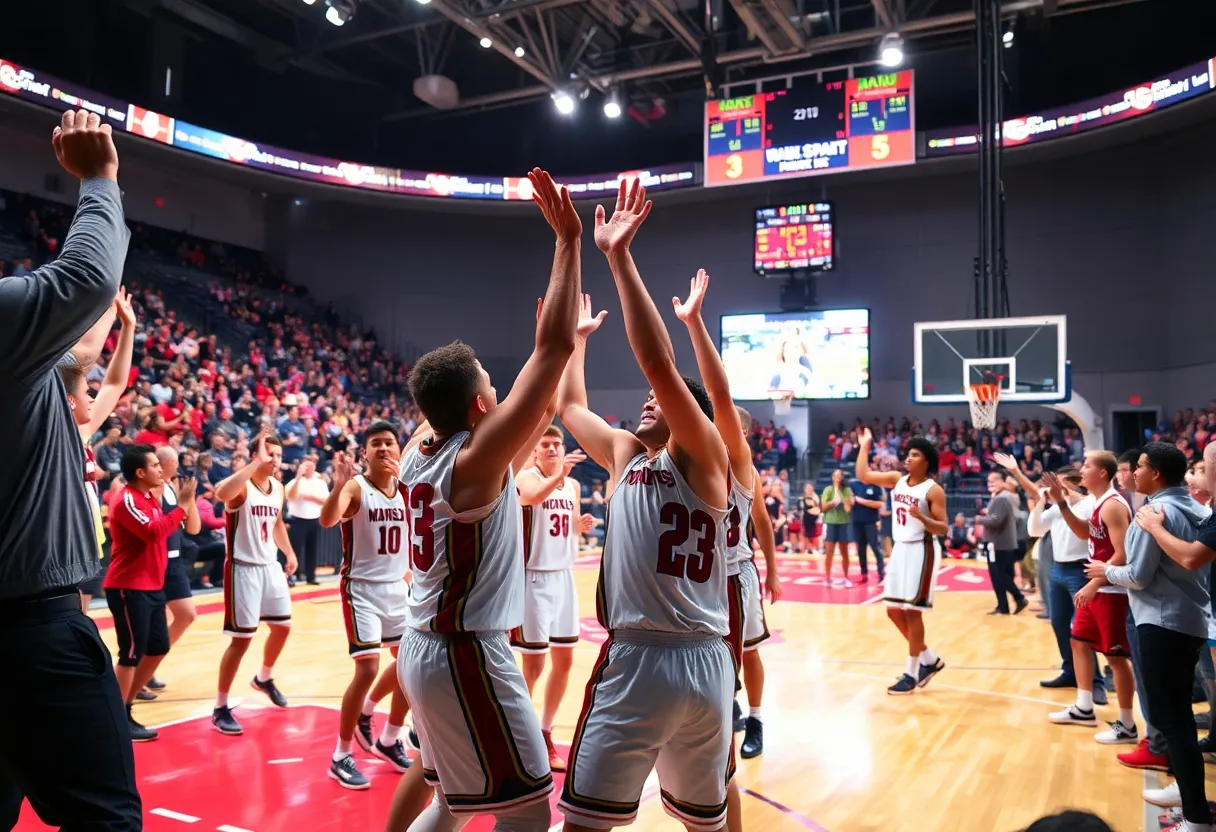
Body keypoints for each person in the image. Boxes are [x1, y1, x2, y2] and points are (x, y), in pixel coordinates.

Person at [388, 168, 579, 831]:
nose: (501, 392)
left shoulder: (422, 449)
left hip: (427, 644)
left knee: (450, 801)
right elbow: (549, 352)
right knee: (527, 808)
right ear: (478, 405)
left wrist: (558, 350)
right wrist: (567, 243)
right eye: (493, 386)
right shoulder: (471, 463)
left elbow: (541, 393)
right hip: (465, 651)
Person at [557, 180, 734, 832]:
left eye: (663, 402)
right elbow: (570, 408)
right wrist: (575, 340)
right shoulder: (630, 454)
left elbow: (660, 362)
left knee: (590, 822)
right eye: (649, 400)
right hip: (686, 661)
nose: (649, 400)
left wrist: (618, 256)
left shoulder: (704, 454)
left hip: (657, 658)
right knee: (696, 822)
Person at [0, 109, 142, 832]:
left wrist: (120, 331)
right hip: (31, 628)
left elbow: (84, 354)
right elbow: (83, 281)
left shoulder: (42, 381)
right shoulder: (21, 360)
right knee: (105, 819)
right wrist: (98, 179)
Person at [671, 270, 781, 779]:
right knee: (715, 658)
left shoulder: (742, 468)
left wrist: (775, 572)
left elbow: (760, 521)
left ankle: (755, 718)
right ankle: (727, 710)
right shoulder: (695, 459)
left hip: (738, 571)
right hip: (703, 577)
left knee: (749, 650)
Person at [1089, 442, 1211, 831]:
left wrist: (1103, 572)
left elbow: (1137, 576)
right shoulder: (1200, 508)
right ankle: (1187, 793)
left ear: (1155, 473)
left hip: (1161, 623)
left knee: (1171, 720)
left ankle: (1195, 819)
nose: (1134, 473)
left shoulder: (1153, 512)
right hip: (1192, 620)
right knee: (1180, 720)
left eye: (1139, 467)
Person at [319, 423, 412, 790]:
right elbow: (327, 519)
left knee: (411, 665)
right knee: (368, 667)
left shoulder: (407, 488)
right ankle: (340, 754)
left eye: (390, 443)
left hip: (397, 586)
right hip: (361, 589)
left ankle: (389, 738)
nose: (384, 449)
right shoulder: (356, 487)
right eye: (376, 444)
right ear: (365, 453)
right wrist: (339, 484)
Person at [104, 444, 198, 740]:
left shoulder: (148, 497)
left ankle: (125, 706)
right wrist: (182, 507)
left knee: (158, 647)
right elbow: (153, 532)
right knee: (130, 654)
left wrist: (180, 507)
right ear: (140, 472)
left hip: (151, 586)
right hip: (127, 587)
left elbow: (164, 528)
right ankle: (119, 717)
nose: (161, 469)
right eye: (156, 465)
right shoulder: (126, 500)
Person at [1042, 452, 1136, 742]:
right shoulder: (1098, 504)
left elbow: (1123, 554)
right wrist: (1060, 502)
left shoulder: (1113, 505)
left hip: (1112, 591)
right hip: (1097, 586)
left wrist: (1093, 584)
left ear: (1104, 473)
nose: (1081, 470)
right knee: (1078, 642)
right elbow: (1084, 534)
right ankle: (1084, 707)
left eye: (1087, 466)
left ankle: (1127, 724)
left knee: (1115, 657)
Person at [511, 427, 590, 773]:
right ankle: (517, 736)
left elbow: (567, 524)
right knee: (534, 666)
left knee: (565, 661)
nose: (554, 449)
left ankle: (544, 731)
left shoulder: (571, 485)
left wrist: (580, 525)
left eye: (558, 444)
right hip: (533, 579)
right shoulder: (524, 478)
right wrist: (559, 474)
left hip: (564, 577)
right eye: (546, 444)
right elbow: (531, 499)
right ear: (535, 451)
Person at [211, 433, 299, 736]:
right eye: (270, 454)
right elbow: (221, 492)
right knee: (242, 640)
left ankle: (264, 677)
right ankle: (220, 706)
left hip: (269, 566)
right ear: (255, 456)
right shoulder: (242, 488)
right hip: (243, 568)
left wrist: (288, 552)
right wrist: (253, 465)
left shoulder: (278, 488)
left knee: (283, 626)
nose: (275, 460)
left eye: (278, 455)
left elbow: (276, 523)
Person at [998, 455, 1106, 698]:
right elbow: (1034, 529)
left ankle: (1095, 681)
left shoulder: (1090, 504)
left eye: (1059, 483)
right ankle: (1070, 671)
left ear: (1073, 483)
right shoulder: (1057, 507)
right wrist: (1040, 502)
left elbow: (1084, 535)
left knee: (1081, 629)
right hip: (1058, 570)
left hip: (1081, 570)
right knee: (1059, 623)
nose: (1053, 487)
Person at [856, 428, 947, 695]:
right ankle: (929, 660)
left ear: (926, 461)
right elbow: (863, 475)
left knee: (911, 612)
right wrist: (865, 446)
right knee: (893, 610)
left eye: (915, 455)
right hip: (900, 549)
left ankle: (911, 672)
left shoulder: (933, 490)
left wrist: (922, 518)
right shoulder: (897, 479)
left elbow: (943, 528)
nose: (908, 458)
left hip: (923, 549)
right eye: (908, 454)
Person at [62, 286, 136, 611]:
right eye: (85, 391)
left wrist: (128, 326)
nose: (93, 397)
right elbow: (80, 361)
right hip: (63, 548)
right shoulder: (59, 434)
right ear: (68, 399)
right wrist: (107, 313)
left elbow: (115, 384)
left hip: (88, 544)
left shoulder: (84, 430)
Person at [154, 446, 201, 689]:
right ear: (168, 462)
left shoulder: (173, 487)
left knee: (186, 615)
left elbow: (193, 529)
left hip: (174, 562)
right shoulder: (154, 488)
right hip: (154, 561)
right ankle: (143, 669)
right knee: (153, 623)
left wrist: (189, 500)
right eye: (176, 462)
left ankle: (150, 664)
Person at [975, 470, 1028, 615]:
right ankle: (1003, 606)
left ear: (1003, 482)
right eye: (988, 481)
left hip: (998, 541)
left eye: (994, 480)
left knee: (998, 574)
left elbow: (997, 520)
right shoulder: (1002, 496)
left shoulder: (1003, 497)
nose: (990, 483)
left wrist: (979, 519)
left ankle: (1018, 598)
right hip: (1003, 540)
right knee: (1002, 573)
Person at [286, 454, 328, 585]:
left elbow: (326, 500)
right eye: (306, 465)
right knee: (295, 550)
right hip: (298, 519)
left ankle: (311, 576)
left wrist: (311, 497)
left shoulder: (320, 482)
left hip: (314, 519)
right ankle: (291, 576)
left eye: (312, 464)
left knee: (312, 549)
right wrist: (298, 477)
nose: (309, 468)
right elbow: (291, 496)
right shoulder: (295, 482)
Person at [849, 470, 885, 584]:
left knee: (875, 548)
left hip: (871, 522)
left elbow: (880, 504)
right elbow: (849, 501)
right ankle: (863, 574)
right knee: (860, 549)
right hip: (857, 522)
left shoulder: (875, 486)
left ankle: (881, 573)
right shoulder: (853, 484)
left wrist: (862, 501)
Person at [820, 468, 853, 586]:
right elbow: (823, 508)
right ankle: (827, 577)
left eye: (840, 475)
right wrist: (832, 503)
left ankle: (846, 577)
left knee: (844, 552)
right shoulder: (828, 490)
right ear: (833, 477)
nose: (838, 477)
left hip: (843, 523)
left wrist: (844, 500)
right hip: (831, 522)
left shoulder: (847, 490)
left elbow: (848, 509)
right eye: (836, 475)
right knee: (829, 552)